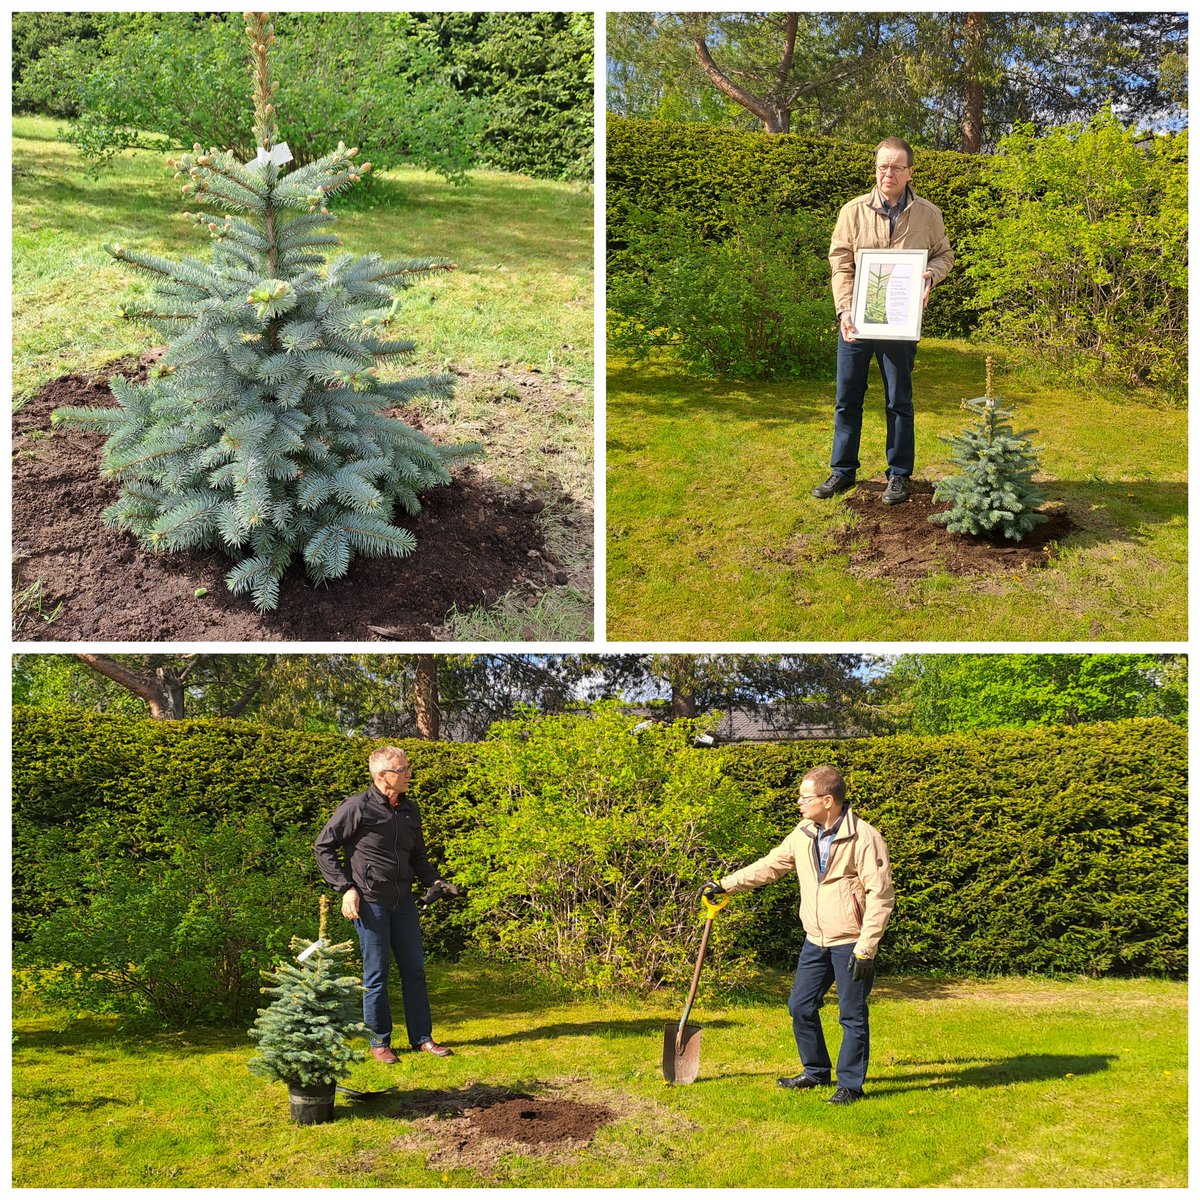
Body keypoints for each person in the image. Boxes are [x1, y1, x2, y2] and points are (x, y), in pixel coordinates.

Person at [704, 765, 895, 1105]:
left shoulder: (864, 838)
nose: (798, 802)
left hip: (851, 941)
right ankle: (816, 1071)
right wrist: (725, 885)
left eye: (805, 797)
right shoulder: (804, 832)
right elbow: (771, 864)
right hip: (815, 939)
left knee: (851, 1015)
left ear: (827, 800)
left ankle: (850, 1085)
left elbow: (880, 895)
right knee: (800, 1006)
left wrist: (866, 949)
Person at [814, 136, 955, 507]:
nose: (886, 173)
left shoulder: (929, 214)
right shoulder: (853, 211)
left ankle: (898, 475)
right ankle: (842, 472)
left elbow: (944, 255)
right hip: (856, 324)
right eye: (881, 166)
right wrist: (845, 310)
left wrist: (930, 275)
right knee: (847, 400)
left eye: (894, 167)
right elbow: (841, 263)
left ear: (909, 172)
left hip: (899, 325)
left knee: (898, 401)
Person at [314, 745, 458, 1063]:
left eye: (407, 768)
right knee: (376, 974)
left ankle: (422, 1038)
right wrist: (346, 888)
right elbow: (323, 847)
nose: (408, 775)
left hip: (402, 901)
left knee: (415, 971)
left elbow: (417, 856)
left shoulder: (409, 810)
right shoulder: (357, 807)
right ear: (382, 776)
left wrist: (433, 881)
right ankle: (379, 1041)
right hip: (370, 902)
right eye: (402, 770)